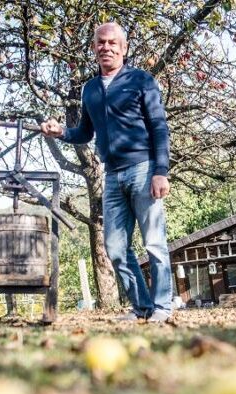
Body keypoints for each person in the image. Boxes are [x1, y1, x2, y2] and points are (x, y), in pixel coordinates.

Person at [41, 22, 172, 323]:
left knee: (154, 242)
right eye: (101, 43)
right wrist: (60, 131)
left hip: (144, 169)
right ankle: (142, 307)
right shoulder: (90, 89)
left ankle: (162, 307)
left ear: (124, 48)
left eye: (113, 43)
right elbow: (85, 132)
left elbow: (159, 128)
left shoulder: (141, 80)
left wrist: (161, 170)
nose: (106, 47)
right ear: (94, 48)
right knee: (114, 248)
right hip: (111, 175)